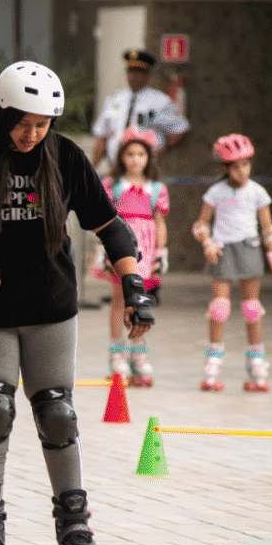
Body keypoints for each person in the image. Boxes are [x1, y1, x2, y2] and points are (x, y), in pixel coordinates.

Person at [0, 61, 155, 545]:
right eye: (23, 122)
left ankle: (74, 527)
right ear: (1, 112)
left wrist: (135, 288)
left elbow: (111, 227)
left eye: (43, 123)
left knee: (56, 411)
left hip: (52, 305)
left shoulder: (67, 157)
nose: (33, 134)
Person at [193, 134, 272, 392]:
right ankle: (213, 362)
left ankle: (256, 362)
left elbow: (268, 228)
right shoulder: (216, 192)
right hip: (222, 250)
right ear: (225, 168)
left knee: (252, 308)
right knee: (219, 308)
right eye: (235, 166)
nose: (242, 170)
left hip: (249, 248)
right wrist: (207, 242)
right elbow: (201, 223)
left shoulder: (257, 192)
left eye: (245, 164)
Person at [90, 126, 169, 386]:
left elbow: (160, 222)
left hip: (145, 248)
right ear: (121, 156)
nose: (136, 159)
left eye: (141, 154)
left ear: (149, 158)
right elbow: (103, 220)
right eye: (130, 154)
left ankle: (138, 351)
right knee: (118, 298)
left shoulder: (156, 188)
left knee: (140, 299)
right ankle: (117, 353)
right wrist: (103, 248)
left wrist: (160, 251)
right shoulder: (112, 186)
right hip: (120, 245)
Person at [90, 49, 189, 169]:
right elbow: (102, 137)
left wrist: (165, 149)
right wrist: (92, 168)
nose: (133, 76)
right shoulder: (114, 99)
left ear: (147, 74)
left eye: (138, 72)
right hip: (116, 167)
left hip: (145, 169)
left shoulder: (159, 101)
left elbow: (181, 128)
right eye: (130, 72)